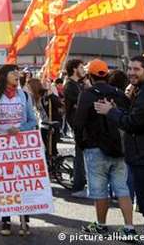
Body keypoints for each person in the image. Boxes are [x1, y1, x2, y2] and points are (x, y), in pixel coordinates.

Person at [94, 55, 144, 243]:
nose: (131, 72)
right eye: (129, 68)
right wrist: (118, 110)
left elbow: (134, 124)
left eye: (137, 69)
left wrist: (111, 112)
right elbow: (136, 118)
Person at [72, 60, 137, 239]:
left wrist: (81, 143)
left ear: (90, 76)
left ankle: (101, 225)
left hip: (94, 147)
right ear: (107, 75)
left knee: (99, 189)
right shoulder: (119, 94)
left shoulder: (87, 95)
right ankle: (129, 228)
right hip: (119, 148)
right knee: (122, 188)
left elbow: (78, 123)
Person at [0, 65, 37, 236]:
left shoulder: (25, 95)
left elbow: (33, 121)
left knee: (23, 182)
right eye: (13, 72)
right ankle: (6, 221)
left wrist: (21, 128)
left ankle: (25, 219)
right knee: (5, 183)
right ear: (4, 77)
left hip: (21, 145)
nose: (17, 75)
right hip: (0, 147)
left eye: (18, 72)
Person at [62, 59, 88, 195]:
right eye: (81, 67)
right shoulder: (70, 86)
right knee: (80, 156)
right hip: (78, 125)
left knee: (82, 156)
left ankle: (81, 184)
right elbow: (81, 104)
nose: (84, 69)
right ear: (74, 69)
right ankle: (78, 186)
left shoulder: (77, 84)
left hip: (81, 124)